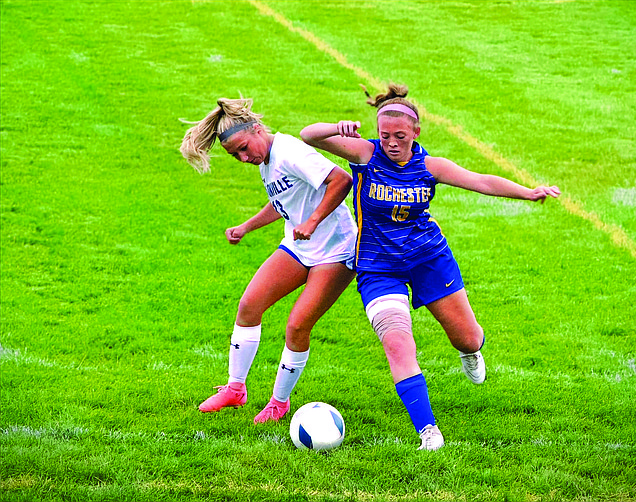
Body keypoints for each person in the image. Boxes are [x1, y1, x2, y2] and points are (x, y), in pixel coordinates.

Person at [300, 84, 561, 450]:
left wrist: (528, 192)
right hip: (378, 268)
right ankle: (428, 431)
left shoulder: (429, 166)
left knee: (468, 337)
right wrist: (336, 126)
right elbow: (307, 136)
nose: (390, 143)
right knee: (397, 343)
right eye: (385, 135)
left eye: (400, 137)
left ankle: (470, 351)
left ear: (416, 134)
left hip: (428, 258)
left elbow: (481, 182)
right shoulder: (364, 153)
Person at [180, 97, 357, 424]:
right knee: (249, 305)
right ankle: (235, 389)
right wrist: (247, 226)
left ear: (258, 129)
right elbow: (282, 201)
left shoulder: (290, 152)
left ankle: (279, 403)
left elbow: (341, 180)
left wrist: (313, 221)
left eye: (245, 148)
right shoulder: (266, 160)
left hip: (335, 249)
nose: (245, 158)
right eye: (237, 156)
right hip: (299, 245)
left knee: (297, 325)